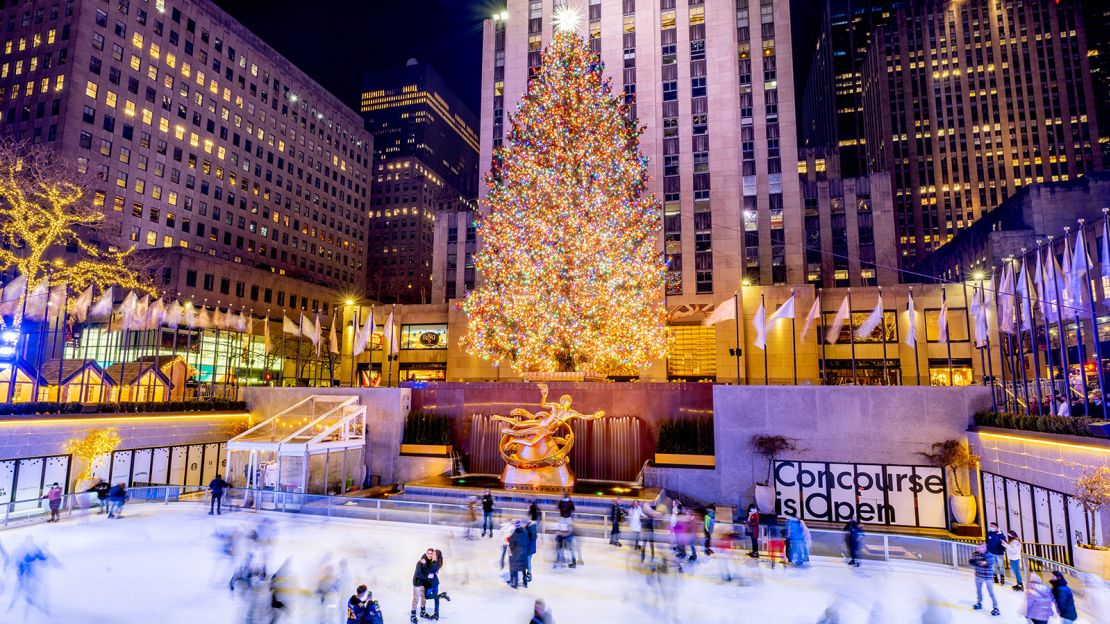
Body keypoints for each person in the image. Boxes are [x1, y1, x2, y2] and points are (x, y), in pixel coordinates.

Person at [970, 543, 1001, 616]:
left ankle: (996, 608)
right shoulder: (975, 554)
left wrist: (979, 562)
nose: (982, 549)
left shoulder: (990, 555)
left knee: (991, 593)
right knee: (978, 591)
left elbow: (988, 563)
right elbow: (972, 562)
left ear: (986, 547)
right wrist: (980, 562)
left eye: (983, 547)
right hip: (978, 575)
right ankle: (979, 603)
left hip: (988, 577)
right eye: (980, 547)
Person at [411, 547, 438, 622]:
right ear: (426, 553)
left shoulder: (431, 562)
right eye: (428, 553)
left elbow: (433, 569)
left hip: (424, 583)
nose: (429, 555)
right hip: (417, 582)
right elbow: (418, 574)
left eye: (431, 554)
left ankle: (423, 612)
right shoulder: (421, 562)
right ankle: (413, 615)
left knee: (423, 598)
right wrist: (428, 576)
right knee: (416, 599)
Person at [508, 521, 529, 588]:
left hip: (516, 554)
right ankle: (525, 582)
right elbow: (528, 542)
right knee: (523, 569)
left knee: (515, 568)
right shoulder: (525, 533)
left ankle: (515, 583)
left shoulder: (515, 534)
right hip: (524, 554)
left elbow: (511, 544)